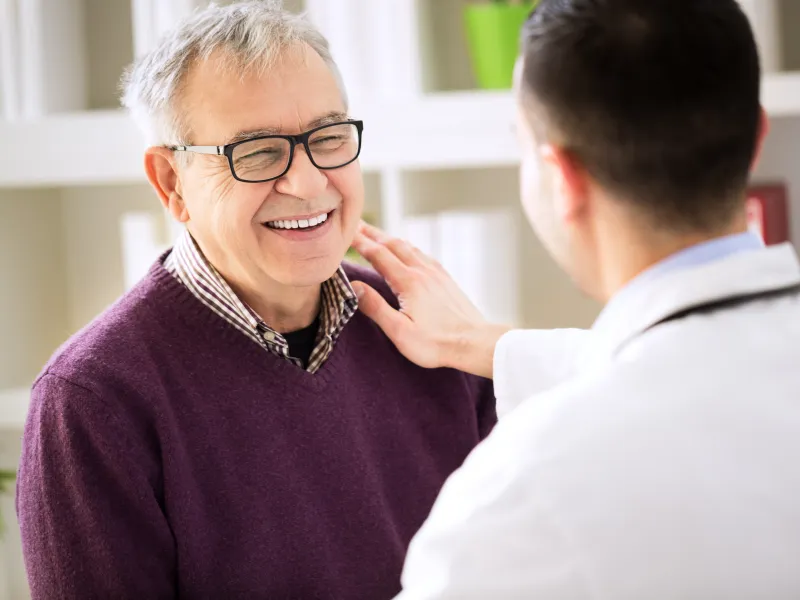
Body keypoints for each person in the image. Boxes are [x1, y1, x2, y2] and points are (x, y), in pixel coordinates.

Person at [15, 2, 497, 598]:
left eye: (327, 136)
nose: (308, 182)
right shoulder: (91, 400)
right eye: (259, 153)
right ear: (172, 184)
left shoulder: (427, 325)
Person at [351, 0, 800, 597]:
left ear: (560, 177)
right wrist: (495, 346)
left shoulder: (527, 493)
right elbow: (704, 372)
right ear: (756, 138)